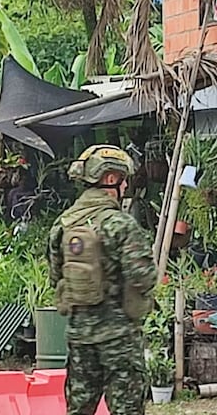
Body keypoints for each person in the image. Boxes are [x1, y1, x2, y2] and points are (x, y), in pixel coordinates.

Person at [48, 145, 156, 415]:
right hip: (119, 339)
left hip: (79, 338)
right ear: (111, 179)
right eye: (124, 180)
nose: (126, 186)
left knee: (79, 409)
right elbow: (144, 277)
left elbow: (55, 277)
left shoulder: (63, 225)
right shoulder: (121, 224)